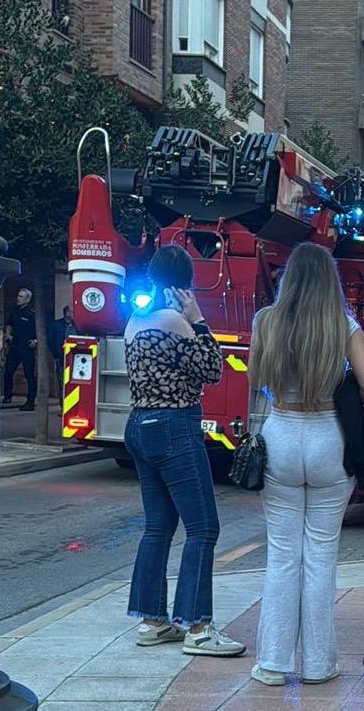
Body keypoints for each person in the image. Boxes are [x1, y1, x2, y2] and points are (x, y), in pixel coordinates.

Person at [247, 244, 364, 686]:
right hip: (329, 438)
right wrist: (340, 397)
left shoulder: (267, 320)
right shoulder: (342, 325)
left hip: (282, 433)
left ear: (289, 278)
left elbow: (255, 381)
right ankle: (319, 665)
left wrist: (281, 396)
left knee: (283, 557)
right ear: (330, 280)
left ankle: (272, 663)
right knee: (321, 556)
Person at [123, 245, 246, 656]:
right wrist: (199, 319)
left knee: (158, 527)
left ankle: (152, 620)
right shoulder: (175, 320)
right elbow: (212, 369)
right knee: (203, 528)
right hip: (175, 425)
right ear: (185, 281)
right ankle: (197, 627)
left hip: (139, 424)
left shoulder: (134, 321)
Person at [3, 288, 38, 411]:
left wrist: (35, 341)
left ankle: (30, 401)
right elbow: (9, 324)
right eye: (18, 296)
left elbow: (40, 331)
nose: (18, 298)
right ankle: (7, 396)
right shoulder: (15, 311)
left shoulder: (32, 314)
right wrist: (7, 335)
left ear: (27, 299)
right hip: (15, 346)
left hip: (27, 348)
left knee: (29, 375)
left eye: (21, 296)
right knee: (8, 371)